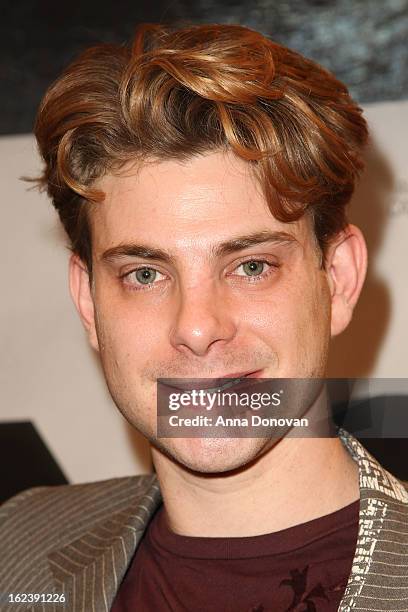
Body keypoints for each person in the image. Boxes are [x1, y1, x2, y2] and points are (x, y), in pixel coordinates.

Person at [1, 22, 407, 612]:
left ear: (337, 279)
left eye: (251, 267)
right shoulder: (18, 545)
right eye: (146, 274)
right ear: (89, 301)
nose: (196, 327)